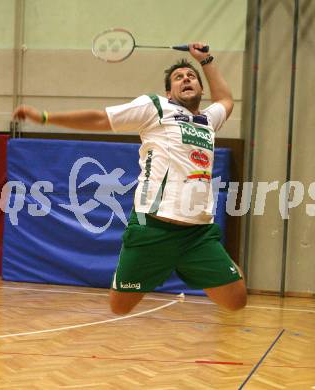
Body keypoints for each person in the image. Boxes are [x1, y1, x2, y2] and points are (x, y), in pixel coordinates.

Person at [13, 43, 247, 315]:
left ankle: (194, 264)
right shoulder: (155, 107)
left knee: (236, 300)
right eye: (179, 77)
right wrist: (45, 117)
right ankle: (153, 263)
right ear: (169, 92)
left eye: (191, 76)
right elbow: (100, 119)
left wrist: (205, 60)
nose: (186, 78)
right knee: (119, 307)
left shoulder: (208, 120)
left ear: (201, 89)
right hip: (153, 228)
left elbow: (226, 100)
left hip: (197, 233)